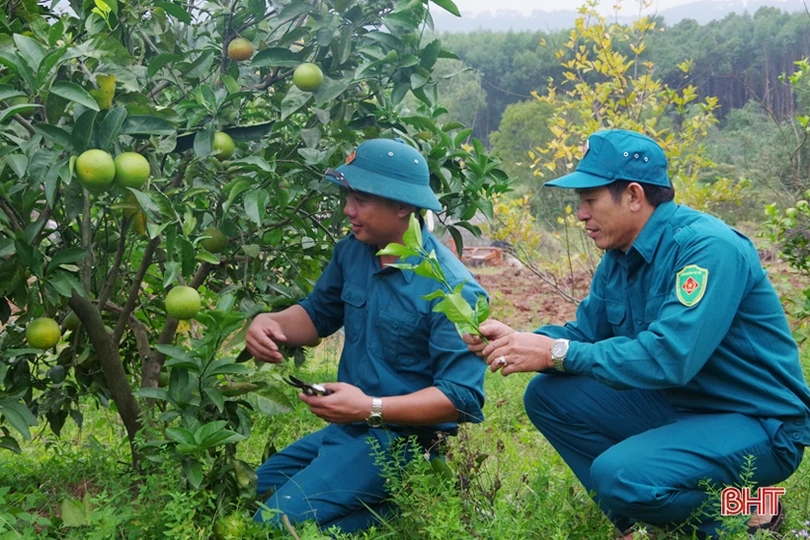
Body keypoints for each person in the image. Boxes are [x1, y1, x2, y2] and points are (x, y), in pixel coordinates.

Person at [464, 129, 810, 538]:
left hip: (758, 423)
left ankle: (751, 510)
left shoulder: (707, 248)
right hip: (682, 406)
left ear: (633, 196)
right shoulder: (620, 255)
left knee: (619, 475)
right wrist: (517, 340)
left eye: (589, 200)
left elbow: (670, 358)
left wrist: (555, 351)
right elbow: (585, 334)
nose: (580, 214)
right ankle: (638, 525)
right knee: (548, 395)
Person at [245, 138, 487, 533]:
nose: (348, 209)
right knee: (250, 491)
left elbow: (461, 398)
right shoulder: (354, 252)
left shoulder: (452, 290)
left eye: (361, 199)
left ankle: (408, 504)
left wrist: (369, 407)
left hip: (404, 442)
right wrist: (269, 323)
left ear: (402, 206)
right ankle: (390, 504)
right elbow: (317, 315)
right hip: (351, 430)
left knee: (273, 525)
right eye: (348, 196)